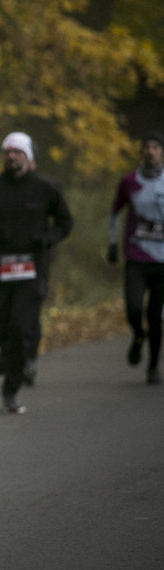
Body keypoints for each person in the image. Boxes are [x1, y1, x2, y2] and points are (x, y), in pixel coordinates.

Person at [0, 131, 73, 413]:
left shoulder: (46, 188)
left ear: (30, 158)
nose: (12, 157)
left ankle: (11, 389)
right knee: (1, 326)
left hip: (32, 268)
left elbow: (65, 223)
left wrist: (46, 239)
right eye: (8, 152)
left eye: (18, 152)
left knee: (20, 325)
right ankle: (7, 353)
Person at [107, 131, 164, 385]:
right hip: (136, 256)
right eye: (146, 147)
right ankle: (138, 335)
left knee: (155, 315)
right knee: (133, 308)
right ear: (142, 152)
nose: (150, 151)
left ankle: (152, 366)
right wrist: (112, 244)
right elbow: (114, 212)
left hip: (162, 261)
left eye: (155, 147)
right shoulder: (129, 181)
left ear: (161, 152)